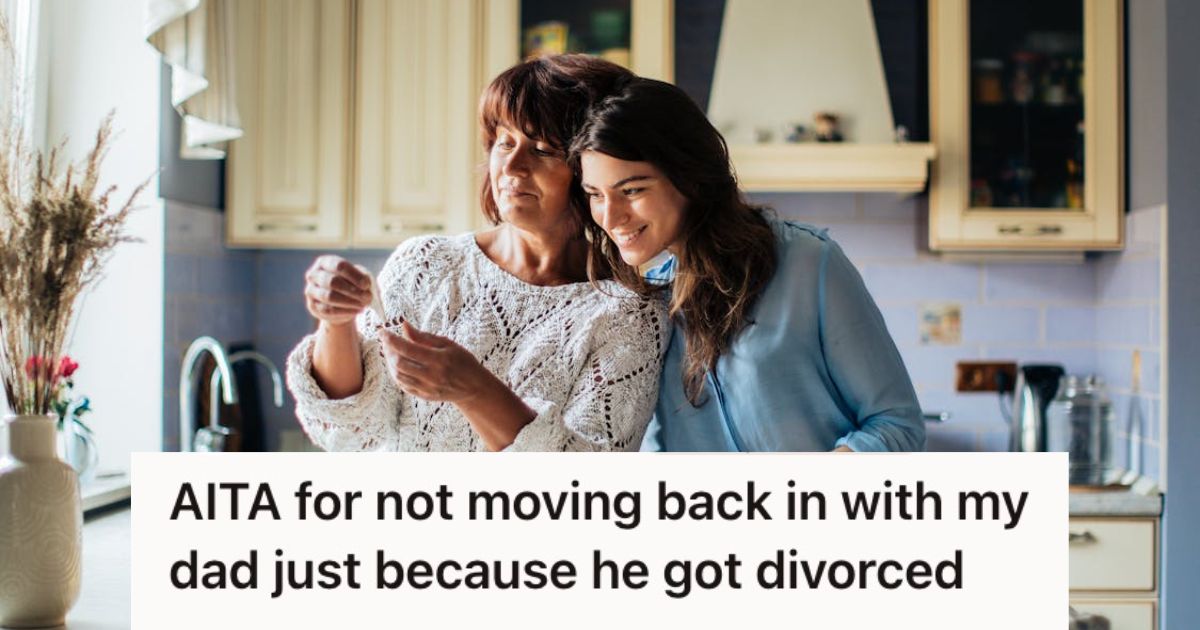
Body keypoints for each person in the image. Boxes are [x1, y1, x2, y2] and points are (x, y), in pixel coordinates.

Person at [285, 55, 666, 452]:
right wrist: (337, 322)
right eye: (505, 142)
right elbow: (348, 432)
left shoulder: (628, 314)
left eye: (541, 149)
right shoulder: (425, 264)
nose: (512, 167)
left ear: (591, 168)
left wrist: (475, 390)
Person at [570, 78, 925, 452]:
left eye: (632, 190)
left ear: (687, 175)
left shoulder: (808, 263)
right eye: (595, 194)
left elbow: (896, 425)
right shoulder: (644, 307)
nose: (610, 217)